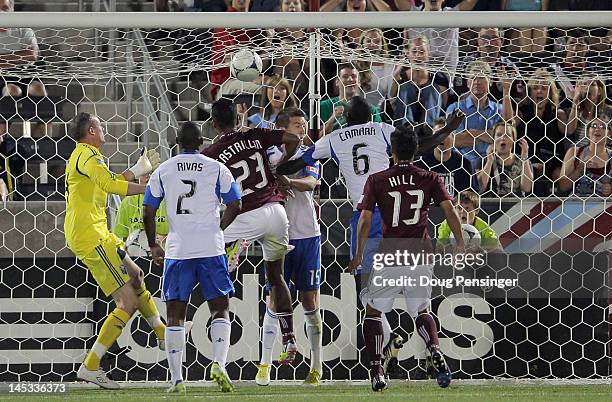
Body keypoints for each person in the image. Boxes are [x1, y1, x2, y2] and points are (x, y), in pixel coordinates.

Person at [276, 96, 465, 377]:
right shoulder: (382, 130)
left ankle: (385, 346)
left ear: (346, 119)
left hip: (365, 214)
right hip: (397, 216)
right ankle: (427, 348)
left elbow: (299, 162)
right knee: (417, 299)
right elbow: (414, 148)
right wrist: (445, 131)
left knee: (369, 293)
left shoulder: (335, 136)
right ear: (372, 116)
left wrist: (276, 172)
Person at [347, 125, 465, 391]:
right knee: (421, 309)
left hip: (391, 252)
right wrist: (460, 243)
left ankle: (377, 370)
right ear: (416, 151)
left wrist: (358, 254)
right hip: (421, 251)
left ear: (392, 151)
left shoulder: (378, 179)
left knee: (374, 311)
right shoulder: (430, 178)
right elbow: (450, 210)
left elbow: (365, 220)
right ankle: (434, 348)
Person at [64, 113, 164, 389]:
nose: (105, 128)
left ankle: (164, 335)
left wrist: (137, 168)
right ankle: (91, 366)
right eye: (102, 125)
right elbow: (112, 186)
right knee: (127, 303)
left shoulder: (85, 157)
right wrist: (147, 189)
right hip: (91, 236)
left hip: (98, 233)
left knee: (136, 276)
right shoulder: (89, 157)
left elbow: (109, 182)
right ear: (93, 130)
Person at [143, 122, 242, 393]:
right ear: (201, 142)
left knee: (175, 314)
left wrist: (153, 245)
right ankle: (219, 363)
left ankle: (177, 380)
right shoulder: (216, 167)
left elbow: (148, 211)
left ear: (177, 142)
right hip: (211, 248)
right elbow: (236, 203)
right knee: (220, 308)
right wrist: (218, 228)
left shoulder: (164, 170)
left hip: (178, 250)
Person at [202, 98, 301, 366]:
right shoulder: (255, 135)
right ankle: (290, 337)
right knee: (276, 277)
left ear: (213, 124)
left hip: (245, 215)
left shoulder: (211, 152)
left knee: (210, 250)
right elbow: (293, 139)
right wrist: (278, 167)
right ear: (237, 119)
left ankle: (219, 312)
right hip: (276, 212)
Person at [255, 108, 323, 386]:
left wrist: (288, 182)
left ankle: (316, 367)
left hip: (308, 235)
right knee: (275, 301)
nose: (302, 130)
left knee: (310, 303)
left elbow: (311, 182)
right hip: (277, 235)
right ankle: (264, 366)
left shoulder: (309, 154)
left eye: (304, 124)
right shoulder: (268, 157)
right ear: (283, 129)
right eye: (297, 125)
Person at [446, 60, 513, 170]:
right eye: (472, 78)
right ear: (467, 83)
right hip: (462, 165)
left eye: (481, 77)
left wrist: (474, 133)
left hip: (494, 164)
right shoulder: (455, 108)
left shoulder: (499, 109)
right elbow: (453, 141)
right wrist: (490, 136)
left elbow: (508, 135)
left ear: (490, 82)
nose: (477, 82)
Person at [513, 68, 569, 196]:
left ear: (550, 92)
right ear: (529, 91)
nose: (539, 91)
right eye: (535, 88)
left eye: (544, 88)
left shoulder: (558, 114)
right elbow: (507, 128)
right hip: (526, 159)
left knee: (560, 174)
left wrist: (575, 101)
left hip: (551, 160)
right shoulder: (521, 112)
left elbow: (569, 131)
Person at [405, 0, 479, 78]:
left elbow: (469, 2)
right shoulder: (413, 14)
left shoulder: (451, 15)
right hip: (415, 79)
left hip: (445, 80)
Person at [392, 36, 449, 129]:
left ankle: (428, 126)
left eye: (422, 52)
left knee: (432, 88)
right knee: (405, 87)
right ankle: (407, 125)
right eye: (414, 51)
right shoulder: (401, 76)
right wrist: (396, 74)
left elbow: (443, 105)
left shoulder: (439, 78)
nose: (418, 55)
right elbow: (392, 100)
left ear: (428, 54)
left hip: (433, 123)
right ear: (408, 54)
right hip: (404, 122)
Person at [454, 27, 523, 102]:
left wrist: (505, 88)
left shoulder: (509, 68)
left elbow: (518, 99)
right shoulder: (465, 64)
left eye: (493, 38)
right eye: (484, 38)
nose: (488, 42)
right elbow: (458, 96)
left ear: (502, 41)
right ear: (478, 41)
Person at [415, 118, 478, 196]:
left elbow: (471, 197)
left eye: (446, 134)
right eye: (438, 133)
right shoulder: (420, 164)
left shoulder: (465, 164)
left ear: (453, 137)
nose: (441, 138)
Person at [0, 0, 46, 99]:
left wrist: (2, 61)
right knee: (12, 90)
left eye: (5, 8)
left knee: (37, 88)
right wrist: (19, 58)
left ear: (12, 10)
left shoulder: (24, 30)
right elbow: (26, 57)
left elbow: (32, 55)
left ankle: (44, 114)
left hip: (27, 74)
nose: (1, 13)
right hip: (2, 78)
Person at [113, 173, 168, 255]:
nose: (148, 176)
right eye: (145, 173)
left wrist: (164, 239)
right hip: (136, 256)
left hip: (164, 255)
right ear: (138, 176)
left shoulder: (169, 201)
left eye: (153, 172)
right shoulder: (128, 202)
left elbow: (181, 234)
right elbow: (119, 237)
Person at [320, 63, 382, 135]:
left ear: (359, 82)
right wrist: (332, 120)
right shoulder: (323, 106)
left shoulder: (371, 110)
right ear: (337, 81)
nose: (350, 79)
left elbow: (379, 136)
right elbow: (314, 140)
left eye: (354, 76)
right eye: (345, 76)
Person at [559, 115, 612, 197]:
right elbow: (563, 187)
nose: (597, 129)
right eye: (594, 126)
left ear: (609, 134)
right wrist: (579, 170)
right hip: (576, 204)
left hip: (602, 206)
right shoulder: (574, 152)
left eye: (603, 126)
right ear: (588, 132)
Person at [478, 122, 533, 197]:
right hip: (491, 206)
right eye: (499, 135)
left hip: (517, 206)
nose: (503, 138)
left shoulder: (523, 160)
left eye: (507, 135)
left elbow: (527, 188)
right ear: (493, 139)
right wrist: (489, 161)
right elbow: (480, 188)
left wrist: (524, 158)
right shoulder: (483, 160)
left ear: (514, 139)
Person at [437, 190, 502, 252]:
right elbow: (440, 247)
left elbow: (497, 248)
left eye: (467, 208)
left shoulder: (483, 227)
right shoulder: (447, 224)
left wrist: (480, 250)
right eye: (459, 208)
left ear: (476, 210)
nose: (462, 212)